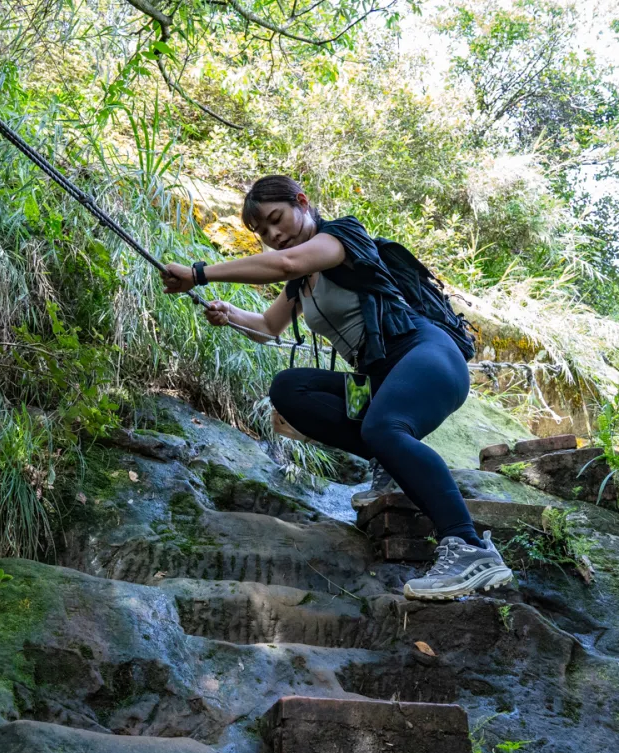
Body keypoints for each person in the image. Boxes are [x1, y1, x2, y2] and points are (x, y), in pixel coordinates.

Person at [161, 175, 514, 601]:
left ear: (302, 203)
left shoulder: (341, 236)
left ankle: (469, 547)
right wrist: (227, 312)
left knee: (383, 428)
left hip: (425, 353)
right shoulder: (300, 286)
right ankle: (389, 458)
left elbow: (286, 263)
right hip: (378, 377)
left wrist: (199, 274)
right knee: (290, 388)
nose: (274, 235)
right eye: (264, 232)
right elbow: (267, 328)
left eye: (277, 218)